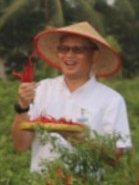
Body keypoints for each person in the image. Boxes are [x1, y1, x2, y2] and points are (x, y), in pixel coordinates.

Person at [11, 21, 131, 174]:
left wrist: (81, 140)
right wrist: (22, 106)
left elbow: (117, 157)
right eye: (64, 49)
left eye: (78, 50)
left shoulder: (111, 100)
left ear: (94, 55)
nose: (69, 55)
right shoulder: (41, 89)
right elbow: (20, 146)